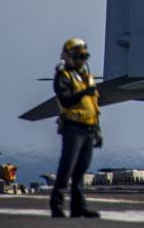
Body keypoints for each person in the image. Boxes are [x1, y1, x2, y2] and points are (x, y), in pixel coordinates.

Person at [50, 37, 102, 219]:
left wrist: (97, 130)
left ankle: (78, 207)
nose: (82, 60)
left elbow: (94, 105)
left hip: (88, 127)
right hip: (73, 127)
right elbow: (65, 100)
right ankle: (56, 205)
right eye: (79, 56)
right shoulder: (63, 76)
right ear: (70, 56)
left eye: (84, 56)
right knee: (67, 168)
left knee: (80, 171)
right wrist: (82, 93)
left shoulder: (87, 77)